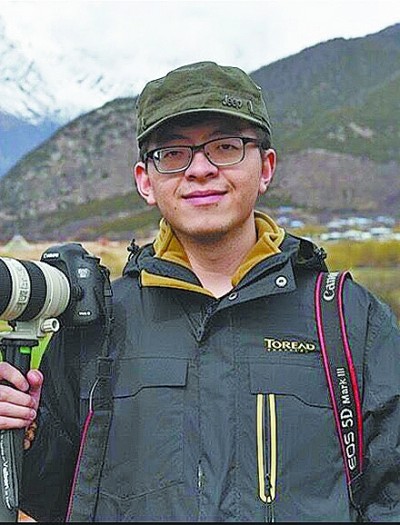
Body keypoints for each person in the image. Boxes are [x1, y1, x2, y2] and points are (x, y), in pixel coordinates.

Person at [0, 61, 399, 522]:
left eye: (226, 147)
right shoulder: (99, 324)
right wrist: (23, 436)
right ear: (145, 181)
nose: (201, 170)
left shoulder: (348, 319)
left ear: (265, 168)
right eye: (173, 153)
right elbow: (55, 499)